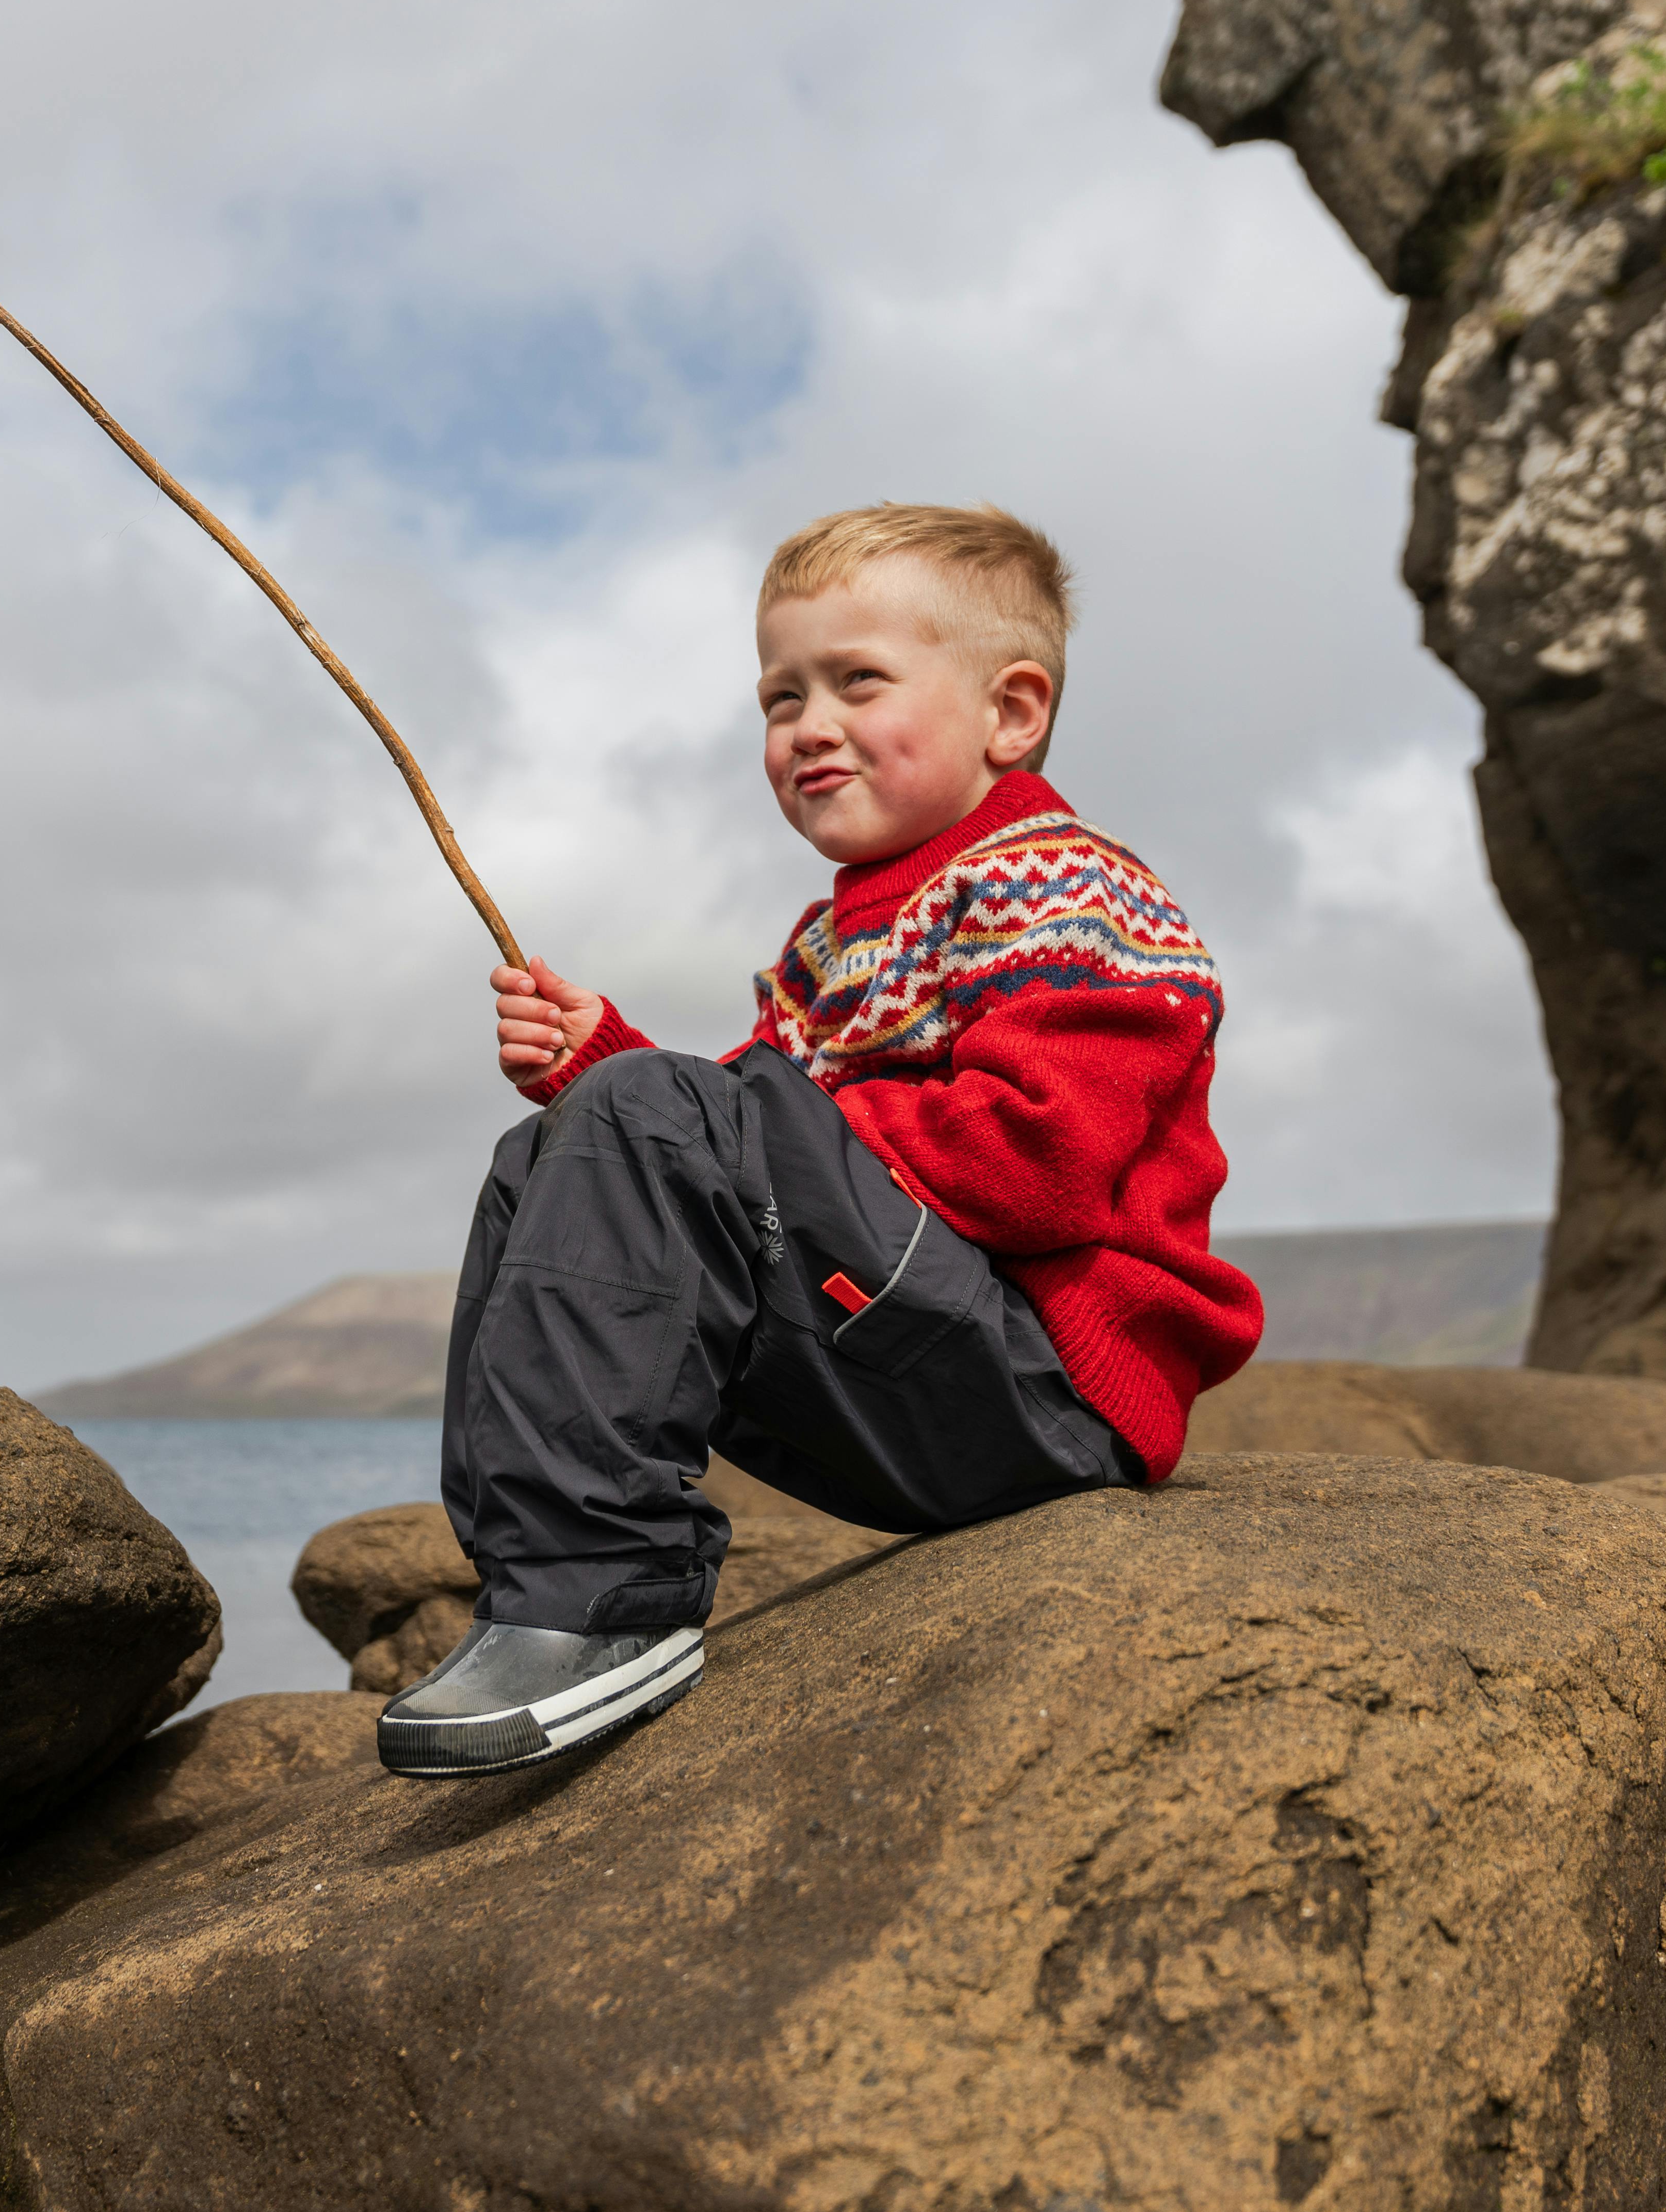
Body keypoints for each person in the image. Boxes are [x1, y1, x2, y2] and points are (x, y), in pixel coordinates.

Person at [376, 503, 1264, 1777]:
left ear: (1011, 715)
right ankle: (537, 1590)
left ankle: (609, 1601)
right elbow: (763, 1187)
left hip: (1043, 1385)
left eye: (858, 681)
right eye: (780, 698)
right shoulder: (824, 941)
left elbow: (1036, 1163)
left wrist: (682, 1101)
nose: (809, 727)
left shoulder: (1062, 884)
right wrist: (608, 1068)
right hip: (906, 1368)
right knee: (556, 1148)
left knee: (646, 1110)